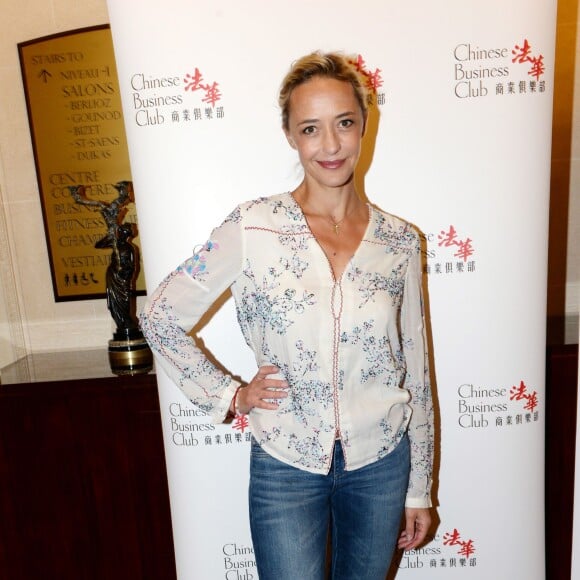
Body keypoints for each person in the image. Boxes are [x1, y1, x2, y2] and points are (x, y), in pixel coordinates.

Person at [140, 51, 434, 579]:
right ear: (290, 136)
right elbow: (160, 315)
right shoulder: (253, 227)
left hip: (382, 460)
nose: (330, 145)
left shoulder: (400, 241)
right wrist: (228, 394)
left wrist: (419, 487)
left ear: (364, 124)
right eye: (310, 128)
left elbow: (416, 366)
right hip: (285, 463)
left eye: (344, 123)